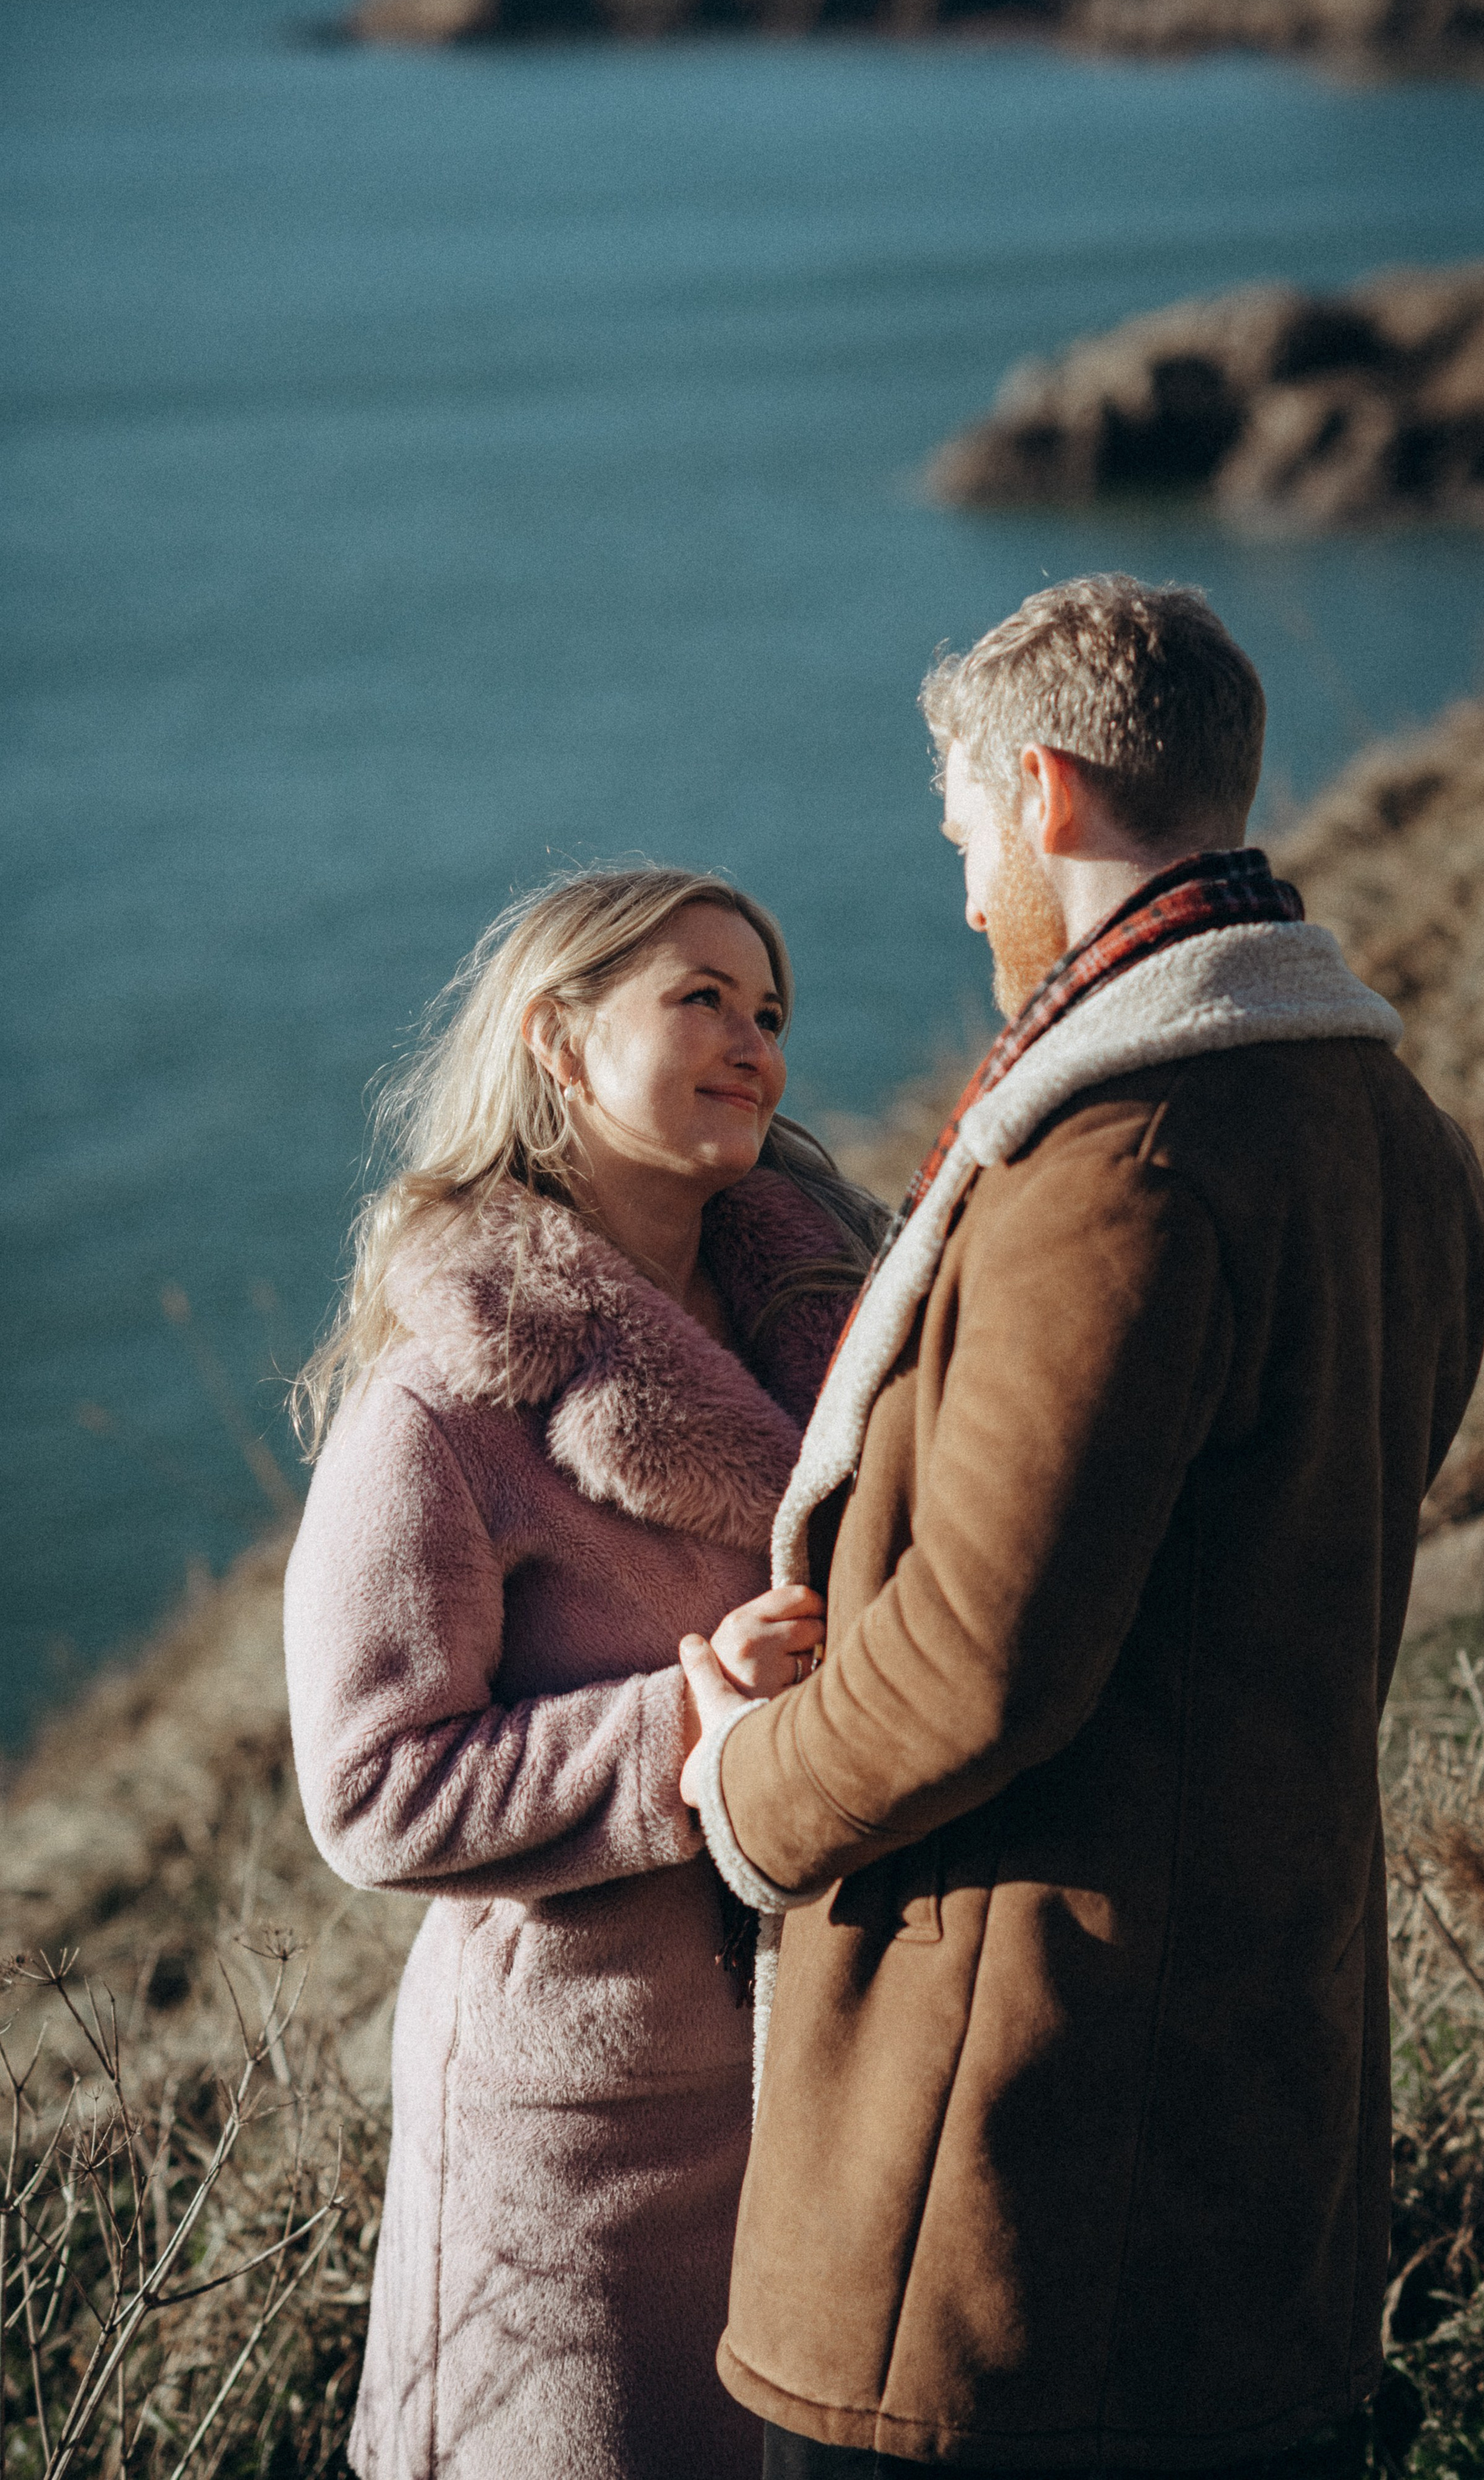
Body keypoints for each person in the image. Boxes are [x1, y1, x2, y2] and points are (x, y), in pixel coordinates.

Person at [681, 576, 1484, 2478]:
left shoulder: (1121, 1161)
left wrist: (744, 1791)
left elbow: (976, 1662)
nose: (967, 886)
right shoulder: (1398, 1132)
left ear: (1041, 793)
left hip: (1015, 2176)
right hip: (1261, 2109)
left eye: (964, 824)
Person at [283, 867, 884, 2480]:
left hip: (833, 2087)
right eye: (699, 998)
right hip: (581, 2143)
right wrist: (693, 1724)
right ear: (556, 1037)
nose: (752, 1041)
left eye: (768, 1012)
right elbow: (366, 1792)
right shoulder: (438, 1411)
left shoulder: (851, 1335)